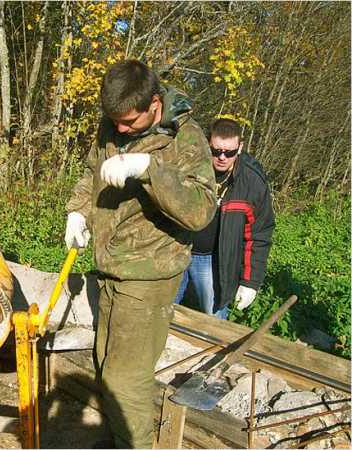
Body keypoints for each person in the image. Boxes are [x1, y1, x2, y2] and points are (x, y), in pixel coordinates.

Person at [64, 60, 216, 448]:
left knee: (125, 379)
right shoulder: (114, 122)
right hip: (111, 265)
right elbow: (90, 172)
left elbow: (201, 210)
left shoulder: (186, 139)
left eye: (129, 122)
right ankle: (118, 439)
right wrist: (77, 211)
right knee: (104, 365)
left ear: (154, 104)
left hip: (149, 273)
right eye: (114, 121)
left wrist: (151, 169)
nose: (119, 129)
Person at [174, 118, 275, 319]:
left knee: (216, 319)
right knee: (159, 311)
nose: (222, 157)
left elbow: (259, 236)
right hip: (176, 249)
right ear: (207, 144)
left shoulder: (252, 183)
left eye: (229, 152)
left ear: (240, 147)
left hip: (212, 260)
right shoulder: (187, 166)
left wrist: (250, 282)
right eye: (216, 151)